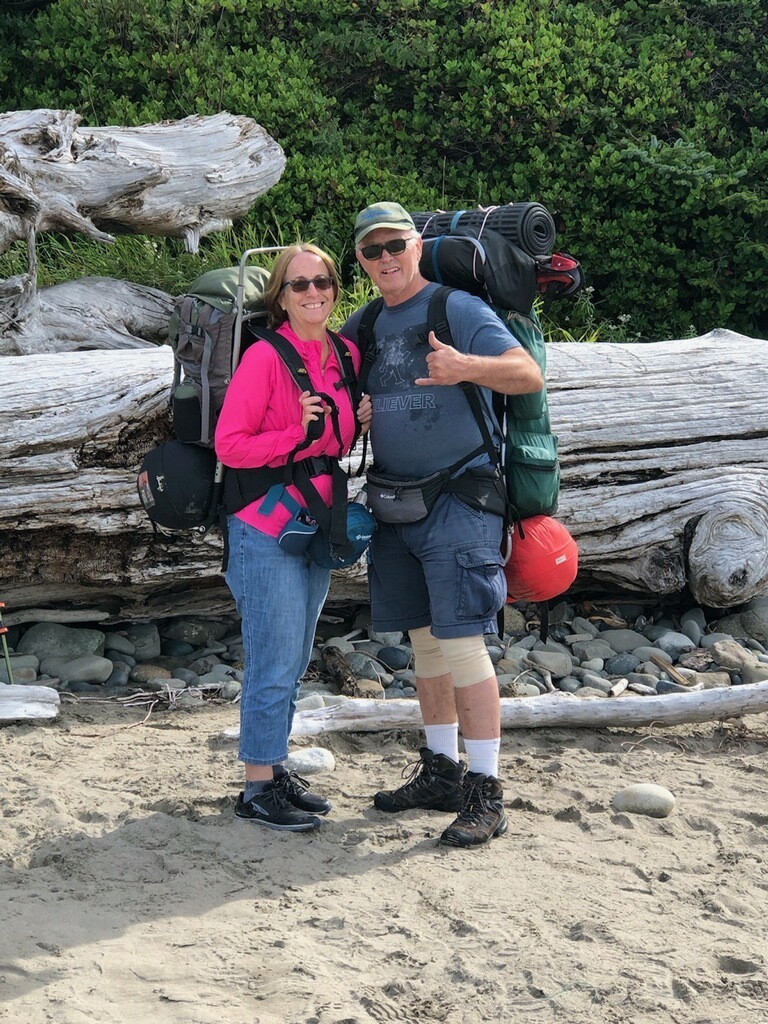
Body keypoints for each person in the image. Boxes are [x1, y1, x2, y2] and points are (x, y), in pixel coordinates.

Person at [342, 202, 544, 848]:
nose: (386, 259)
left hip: (462, 497)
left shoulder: (455, 309)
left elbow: (527, 374)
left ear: (417, 245)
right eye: (372, 251)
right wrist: (359, 410)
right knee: (426, 645)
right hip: (396, 501)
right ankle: (440, 771)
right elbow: (337, 385)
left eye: (395, 245)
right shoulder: (366, 322)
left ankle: (487, 793)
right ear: (360, 261)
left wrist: (466, 368)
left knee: (461, 646)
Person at [215, 243, 371, 832]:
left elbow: (338, 433)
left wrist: (360, 417)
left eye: (323, 281)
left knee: (299, 654)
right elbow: (232, 446)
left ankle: (274, 769)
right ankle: (256, 788)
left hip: (318, 521)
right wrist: (290, 430)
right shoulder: (263, 358)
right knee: (274, 658)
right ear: (280, 298)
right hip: (263, 526)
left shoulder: (346, 354)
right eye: (299, 285)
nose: (314, 293)